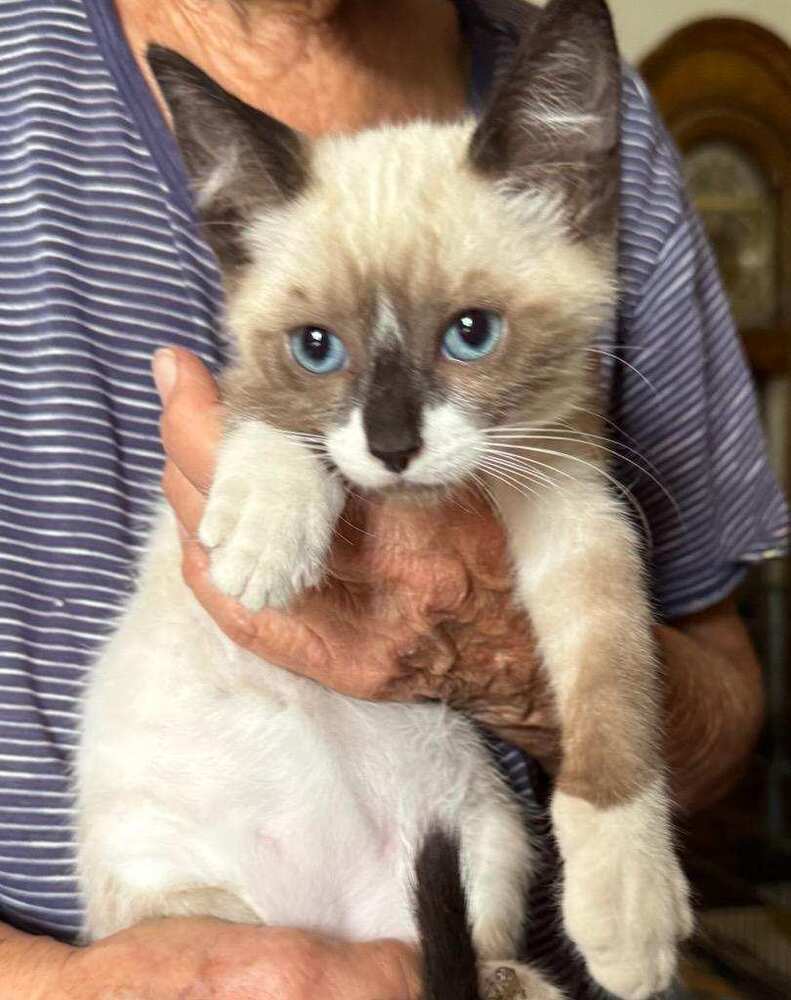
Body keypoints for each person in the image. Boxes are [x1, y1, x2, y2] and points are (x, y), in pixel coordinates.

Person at [0, 0, 787, 996]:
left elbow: (718, 699)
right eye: (318, 347)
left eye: (468, 331)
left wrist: (511, 659)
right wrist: (61, 983)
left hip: (450, 924)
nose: (394, 441)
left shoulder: (583, 127)